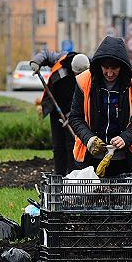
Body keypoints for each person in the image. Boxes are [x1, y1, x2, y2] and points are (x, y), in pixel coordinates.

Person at [68, 36, 132, 177]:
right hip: (91, 156)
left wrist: (125, 138)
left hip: (127, 156)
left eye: (114, 68)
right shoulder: (83, 81)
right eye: (105, 68)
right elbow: (75, 117)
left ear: (123, 67)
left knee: (129, 198)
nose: (109, 73)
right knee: (90, 198)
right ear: (98, 65)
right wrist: (89, 139)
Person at [31, 47, 90, 175]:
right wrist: (36, 62)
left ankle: (72, 177)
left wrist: (72, 116)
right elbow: (45, 54)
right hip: (56, 108)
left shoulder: (90, 72)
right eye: (77, 74)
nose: (79, 77)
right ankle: (59, 176)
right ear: (72, 69)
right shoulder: (62, 60)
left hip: (75, 114)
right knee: (58, 146)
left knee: (71, 145)